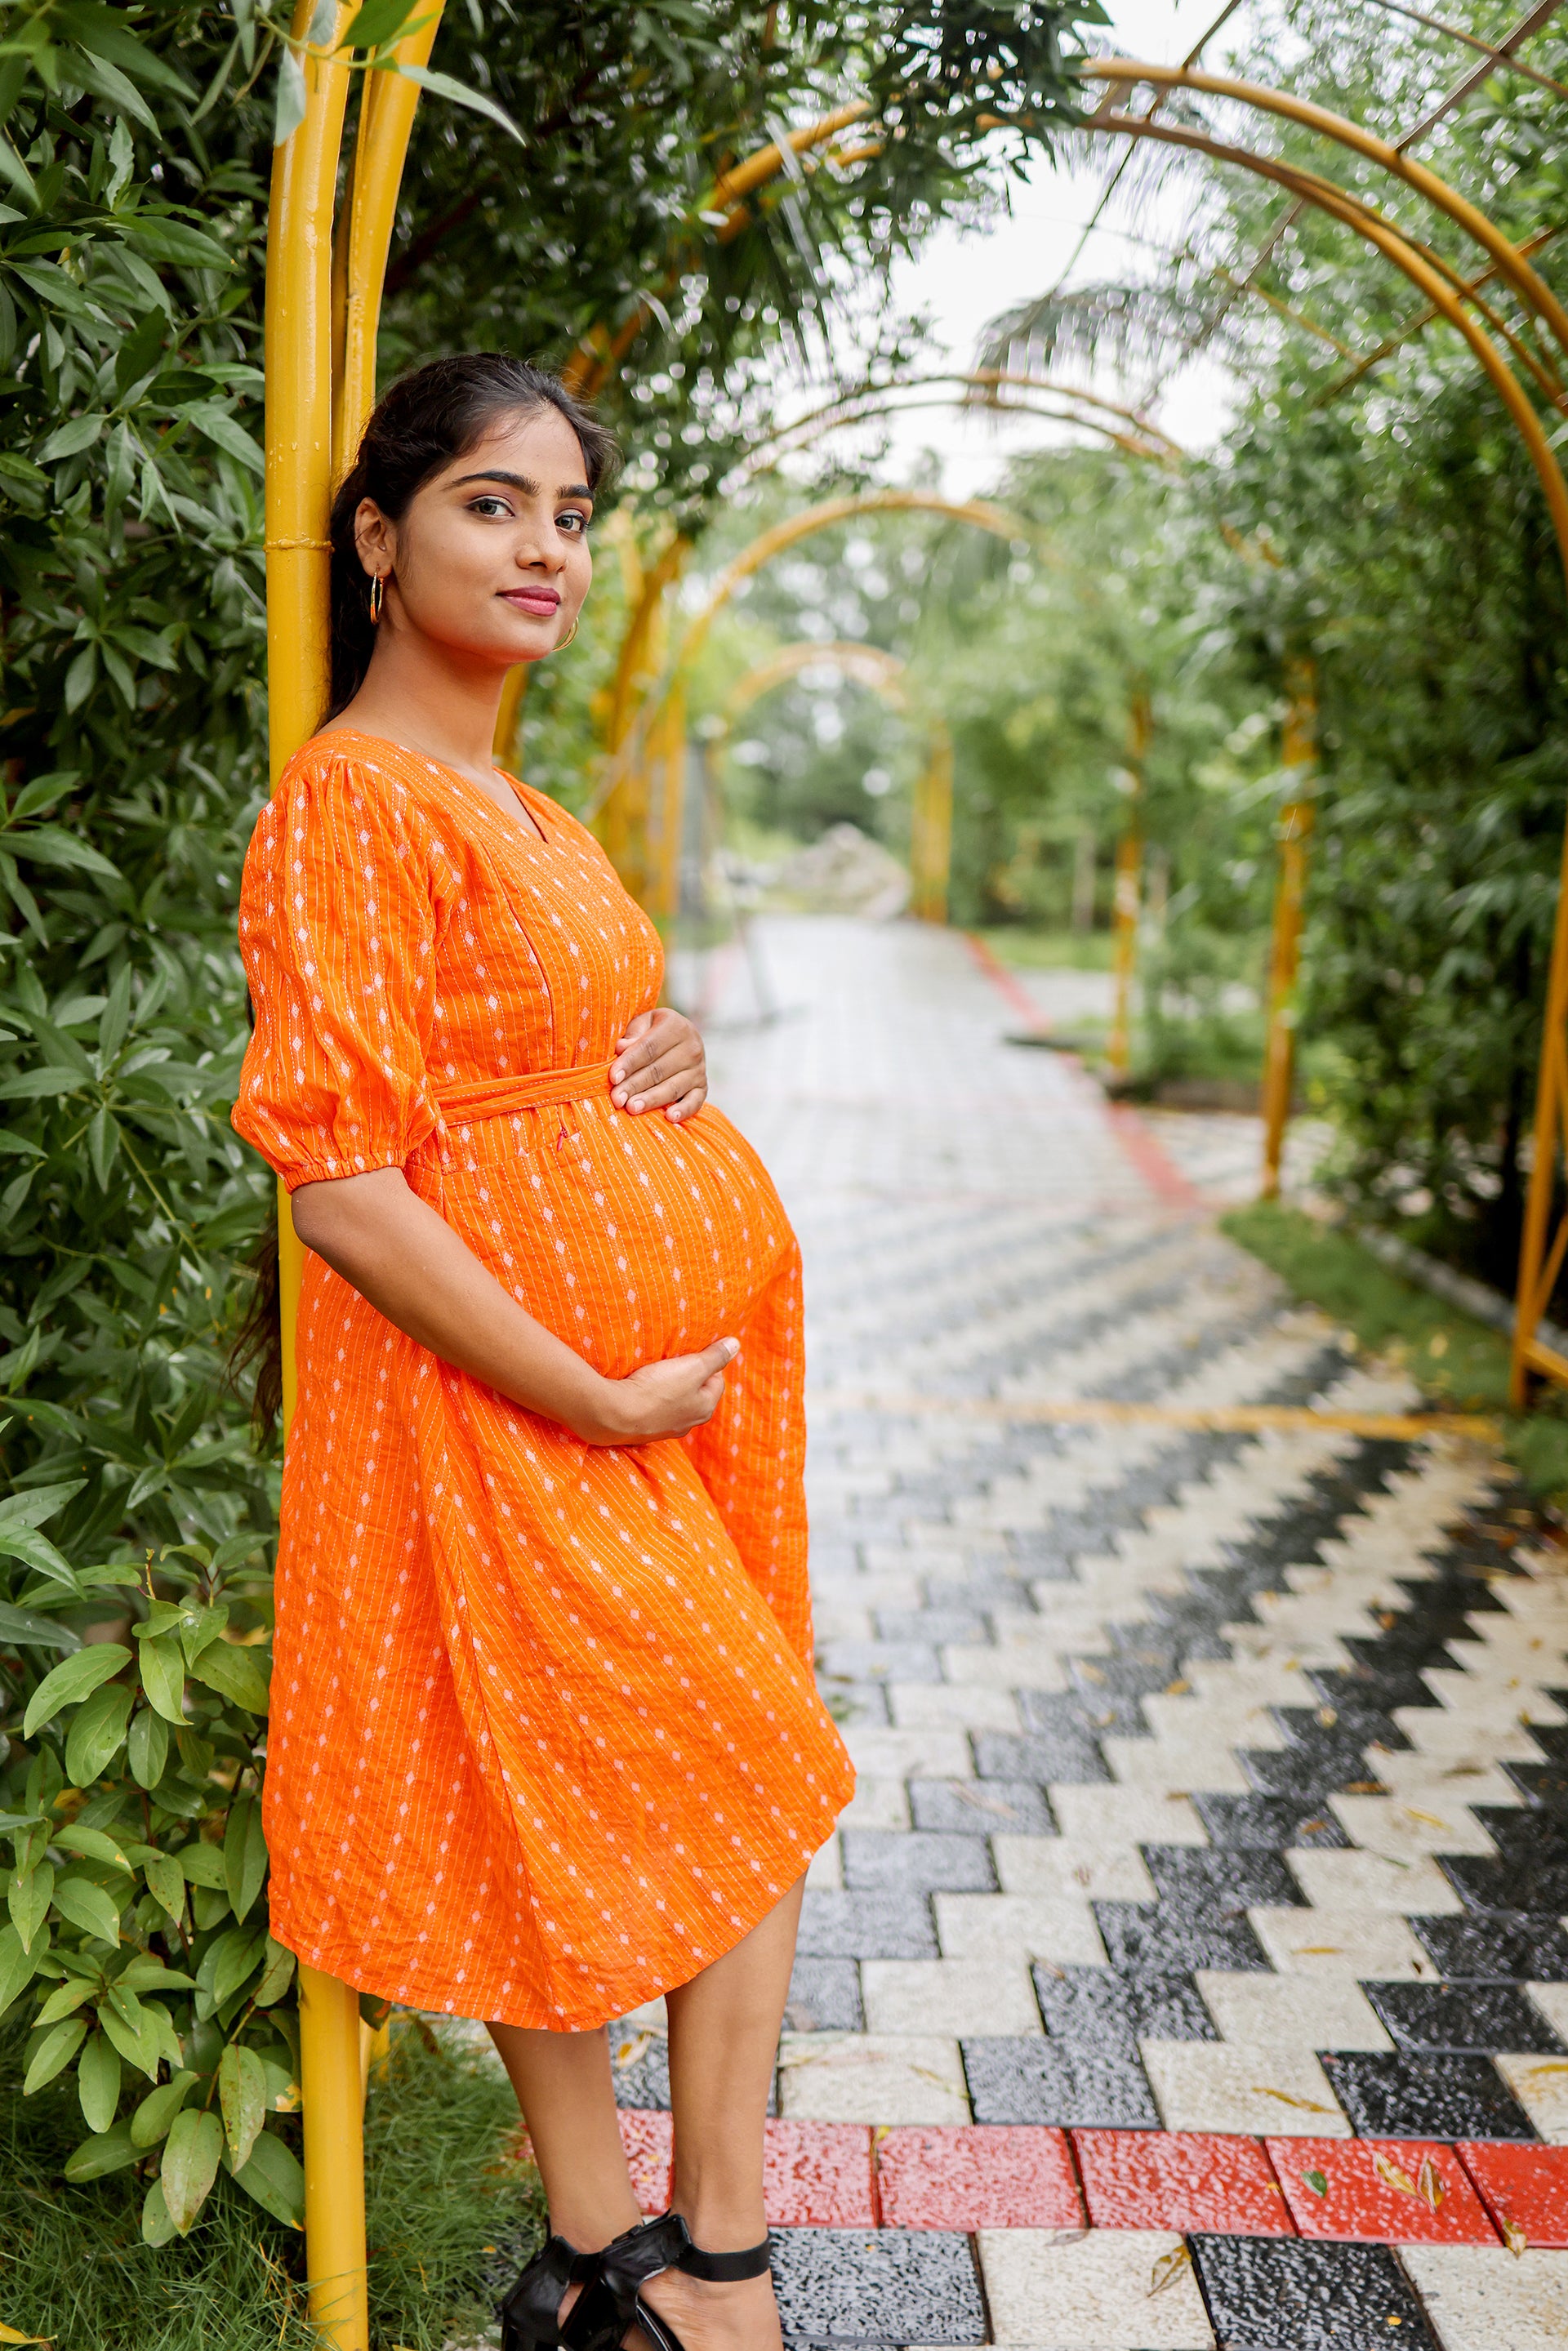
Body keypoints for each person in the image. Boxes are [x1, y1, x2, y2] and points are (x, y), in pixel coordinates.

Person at [231, 354, 853, 2351]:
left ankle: (608, 2265)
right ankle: (702, 2269)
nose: (545, 548)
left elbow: (539, 1067)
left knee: (600, 1789)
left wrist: (662, 1061)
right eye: (494, 502)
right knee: (737, 1767)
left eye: (571, 513)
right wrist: (579, 1385)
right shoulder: (348, 801)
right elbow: (341, 1178)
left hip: (635, 1412)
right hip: (509, 1405)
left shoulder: (519, 800)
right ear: (378, 532)